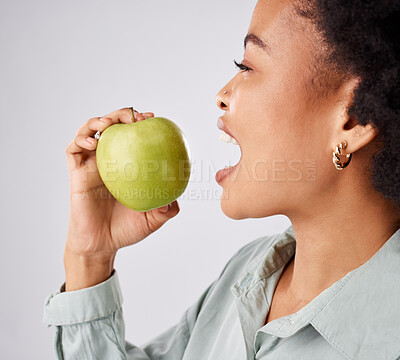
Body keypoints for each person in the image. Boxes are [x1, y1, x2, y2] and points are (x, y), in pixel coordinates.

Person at [43, 0, 400, 359]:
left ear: (353, 119)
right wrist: (89, 258)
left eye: (246, 66)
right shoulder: (245, 276)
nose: (221, 96)